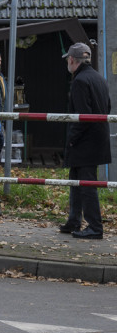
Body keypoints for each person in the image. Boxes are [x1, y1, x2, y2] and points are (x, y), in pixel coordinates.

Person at [59, 42, 111, 239]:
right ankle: (74, 221)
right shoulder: (100, 78)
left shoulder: (80, 81)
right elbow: (107, 107)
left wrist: (71, 141)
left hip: (84, 142)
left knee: (86, 185)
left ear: (72, 60)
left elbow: (82, 116)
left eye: (68, 61)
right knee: (77, 181)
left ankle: (95, 227)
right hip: (98, 139)